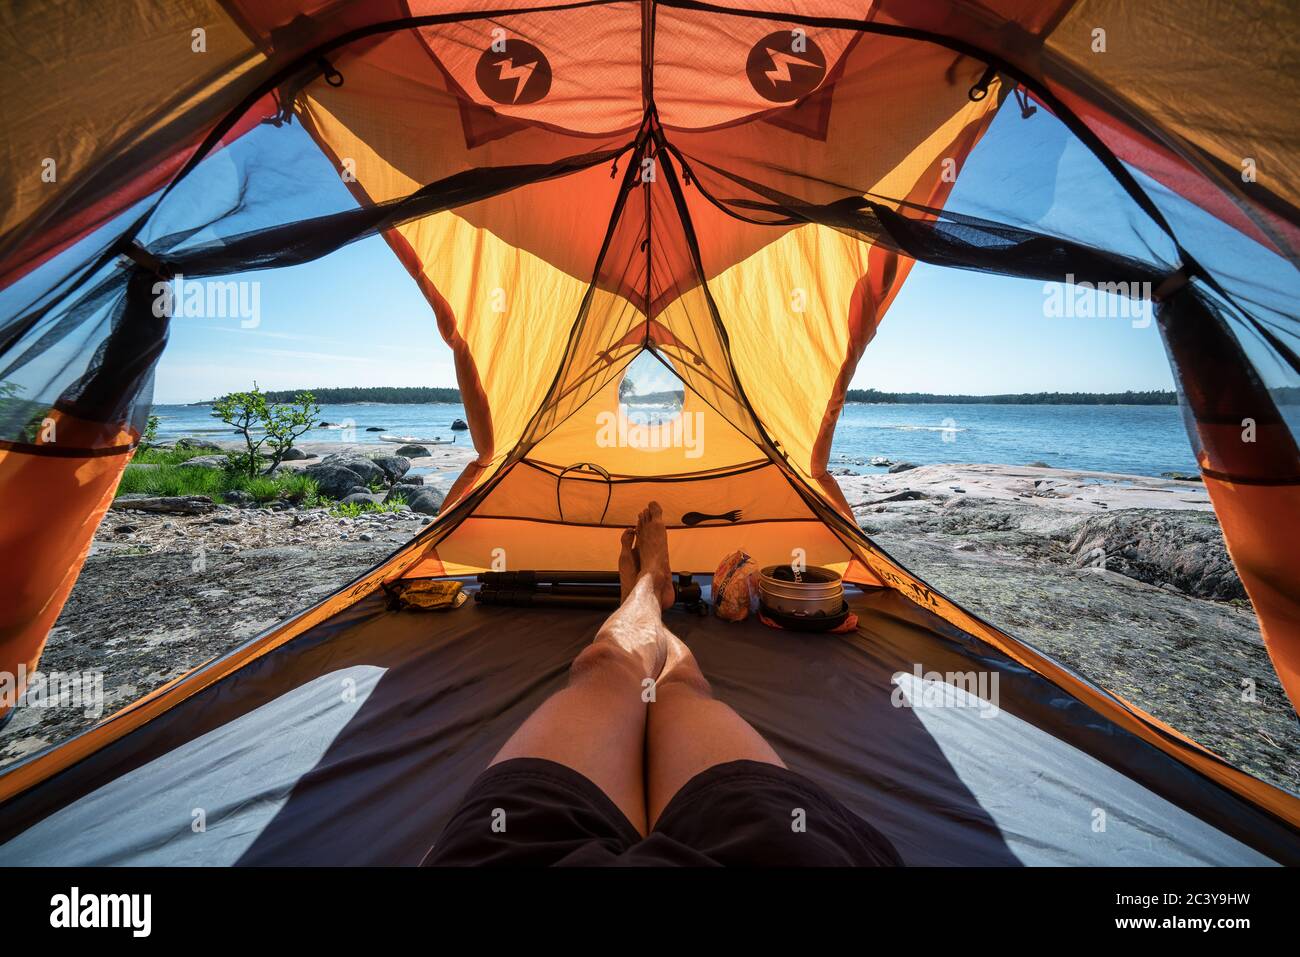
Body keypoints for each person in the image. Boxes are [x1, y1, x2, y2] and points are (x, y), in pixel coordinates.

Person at [423, 502, 902, 866]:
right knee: (679, 685)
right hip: (774, 846)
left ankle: (645, 594)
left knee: (606, 661)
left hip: (515, 847)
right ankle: (651, 591)